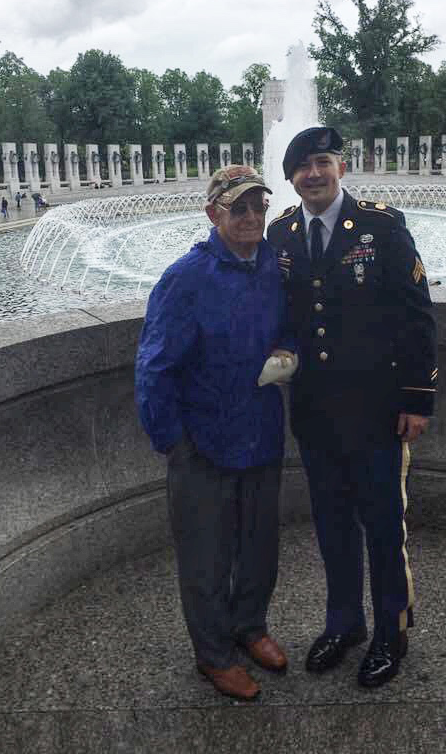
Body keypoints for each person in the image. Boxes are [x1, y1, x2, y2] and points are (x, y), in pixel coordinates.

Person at [268, 127, 437, 690]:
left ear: (341, 166)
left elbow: (416, 316)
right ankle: (345, 623)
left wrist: (417, 398)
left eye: (322, 162)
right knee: (333, 525)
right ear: (290, 177)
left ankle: (393, 631)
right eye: (302, 167)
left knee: (384, 524)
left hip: (375, 408)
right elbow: (285, 316)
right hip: (315, 411)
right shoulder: (282, 233)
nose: (313, 174)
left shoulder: (381, 226)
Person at [135, 165, 296, 702]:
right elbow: (154, 367)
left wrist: (286, 349)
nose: (252, 217)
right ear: (213, 214)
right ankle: (213, 654)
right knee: (205, 559)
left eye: (258, 206)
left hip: (261, 431)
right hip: (201, 441)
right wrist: (172, 442)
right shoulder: (186, 277)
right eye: (239, 208)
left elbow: (290, 323)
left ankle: (249, 627)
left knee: (259, 547)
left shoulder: (273, 263)